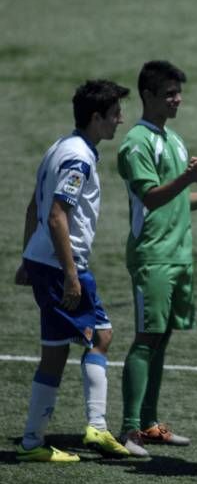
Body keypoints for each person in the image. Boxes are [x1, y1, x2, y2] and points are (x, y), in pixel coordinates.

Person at [15, 80, 131, 461]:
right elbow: (55, 214)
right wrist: (70, 272)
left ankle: (33, 442)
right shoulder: (79, 158)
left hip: (42, 259)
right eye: (115, 114)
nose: (120, 120)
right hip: (60, 264)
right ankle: (97, 427)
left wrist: (26, 257)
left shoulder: (58, 147)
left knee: (54, 352)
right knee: (101, 336)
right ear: (96, 117)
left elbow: (34, 205)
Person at [117, 60, 197, 456]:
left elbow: (177, 199)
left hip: (178, 257)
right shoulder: (136, 143)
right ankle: (128, 430)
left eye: (179, 93)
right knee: (145, 341)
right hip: (153, 257)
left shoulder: (174, 140)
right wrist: (190, 178)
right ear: (148, 95)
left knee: (160, 342)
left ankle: (149, 423)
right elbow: (151, 197)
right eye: (170, 94)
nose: (178, 100)